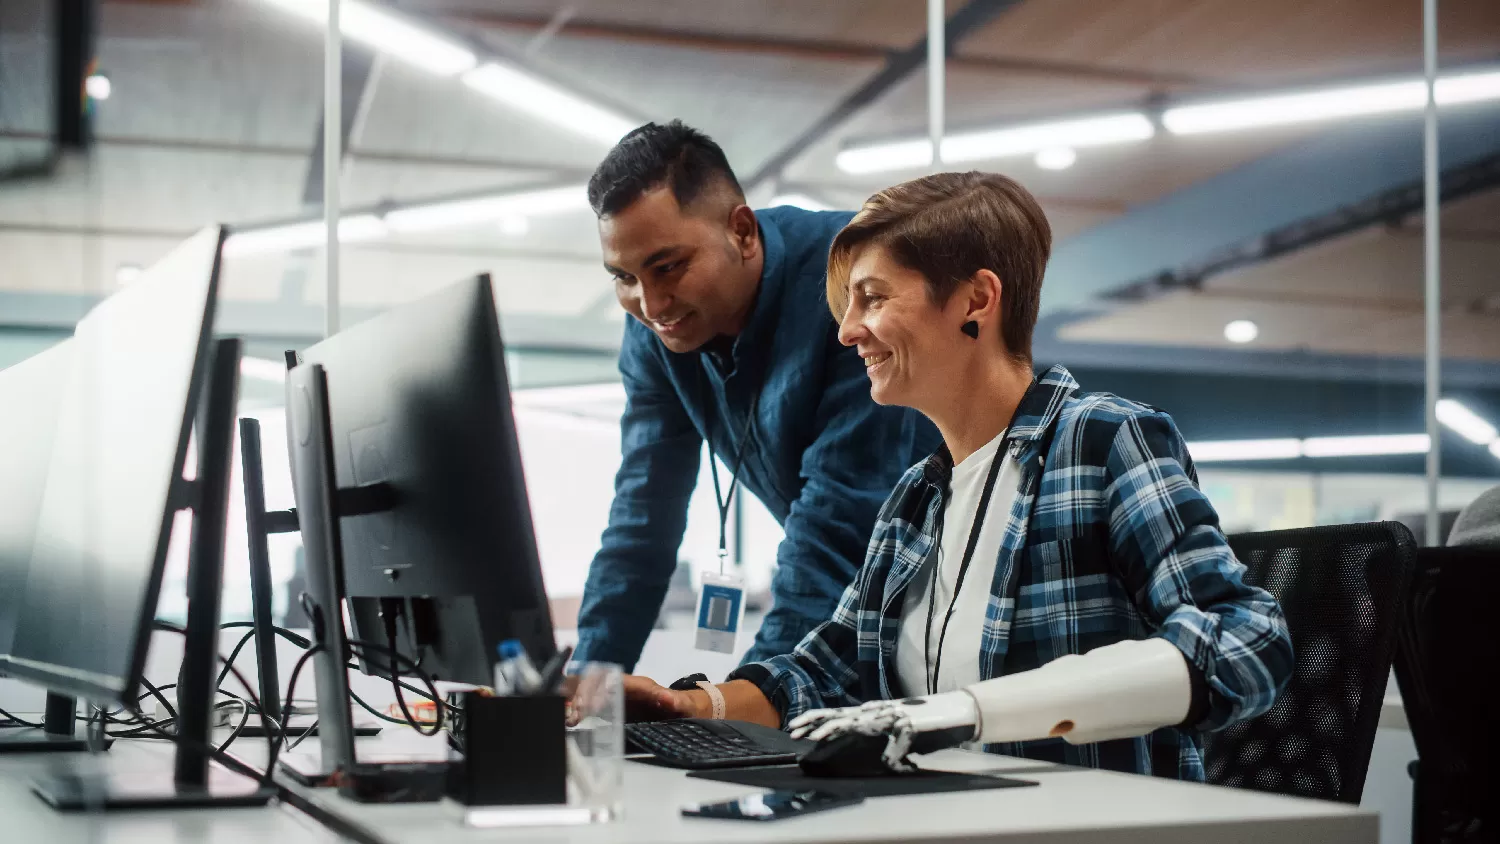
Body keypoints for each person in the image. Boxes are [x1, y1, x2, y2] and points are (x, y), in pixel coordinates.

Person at [621, 171, 1294, 780]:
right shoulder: (915, 499)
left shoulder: (1103, 442)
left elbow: (1247, 642)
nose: (847, 331)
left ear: (976, 300)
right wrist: (691, 705)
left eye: (873, 298)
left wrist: (969, 711)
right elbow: (825, 668)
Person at [572, 121, 939, 670]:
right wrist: (590, 678)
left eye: (667, 267)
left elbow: (839, 522)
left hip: (954, 595)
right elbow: (643, 509)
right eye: (623, 277)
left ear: (742, 232)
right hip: (857, 596)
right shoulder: (657, 333)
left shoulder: (855, 286)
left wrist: (746, 698)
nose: (650, 304)